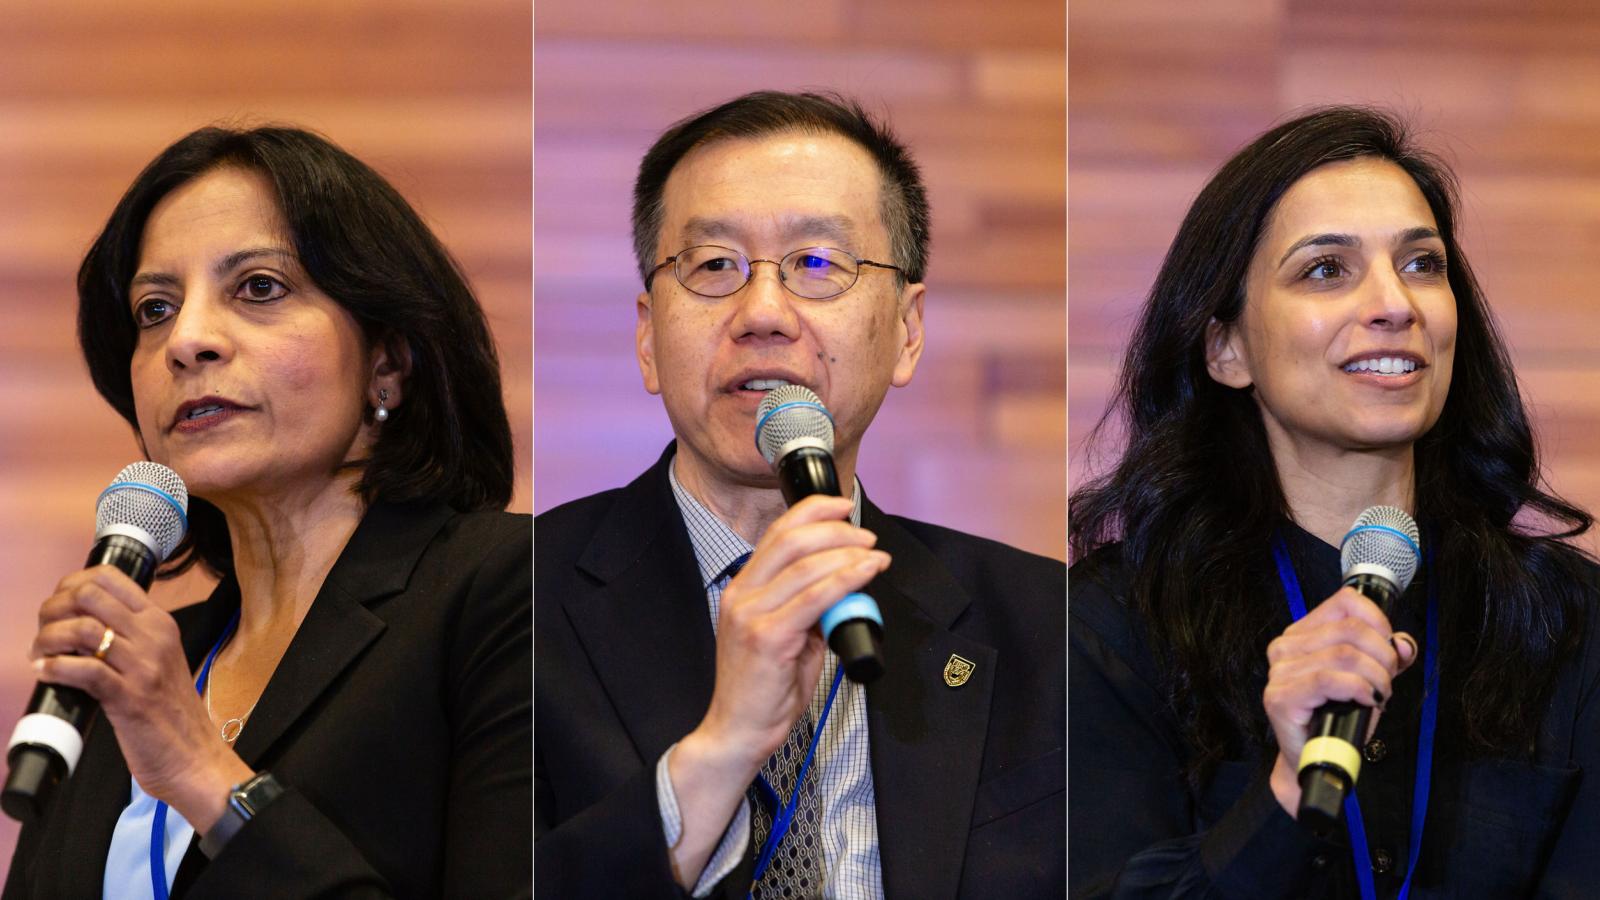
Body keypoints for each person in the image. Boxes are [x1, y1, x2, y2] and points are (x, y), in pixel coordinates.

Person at [535, 91, 1065, 898]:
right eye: (714, 266)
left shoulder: (1045, 623)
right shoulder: (516, 599)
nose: (764, 312)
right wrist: (720, 753)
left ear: (907, 331)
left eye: (818, 263)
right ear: (647, 336)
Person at [1068, 106, 1600, 898]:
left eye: (1423, 265)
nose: (1396, 305)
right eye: (1326, 270)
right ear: (1226, 347)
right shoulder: (1113, 626)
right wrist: (1284, 793)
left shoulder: (1568, 617)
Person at [2, 126, 530, 898]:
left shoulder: (499, 590)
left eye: (258, 288)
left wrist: (199, 770)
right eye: (155, 309)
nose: (187, 341)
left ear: (386, 363)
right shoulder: (144, 666)